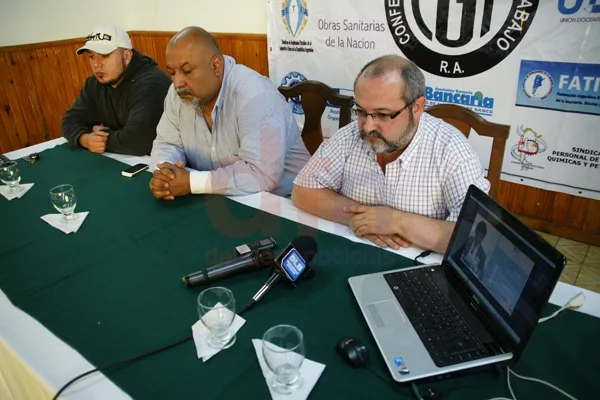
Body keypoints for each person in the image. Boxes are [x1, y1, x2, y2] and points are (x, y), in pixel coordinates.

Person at [292, 55, 490, 254]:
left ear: (417, 108)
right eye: (361, 111)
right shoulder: (351, 135)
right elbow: (303, 191)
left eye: (383, 115)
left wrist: (398, 222)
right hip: (354, 252)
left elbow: (474, 236)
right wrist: (364, 220)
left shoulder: (451, 150)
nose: (368, 126)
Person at [149, 27, 309, 199]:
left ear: (216, 65)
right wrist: (166, 175)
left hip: (283, 205)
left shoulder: (255, 96)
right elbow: (167, 144)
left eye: (187, 71)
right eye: (172, 73)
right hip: (219, 199)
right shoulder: (177, 94)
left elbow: (262, 174)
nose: (178, 82)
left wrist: (191, 182)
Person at [62, 24, 171, 156]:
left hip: (162, 165)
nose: (97, 64)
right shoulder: (95, 83)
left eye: (105, 56)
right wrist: (85, 139)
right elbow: (70, 121)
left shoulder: (151, 83)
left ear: (127, 56)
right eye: (91, 57)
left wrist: (104, 134)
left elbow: (138, 142)